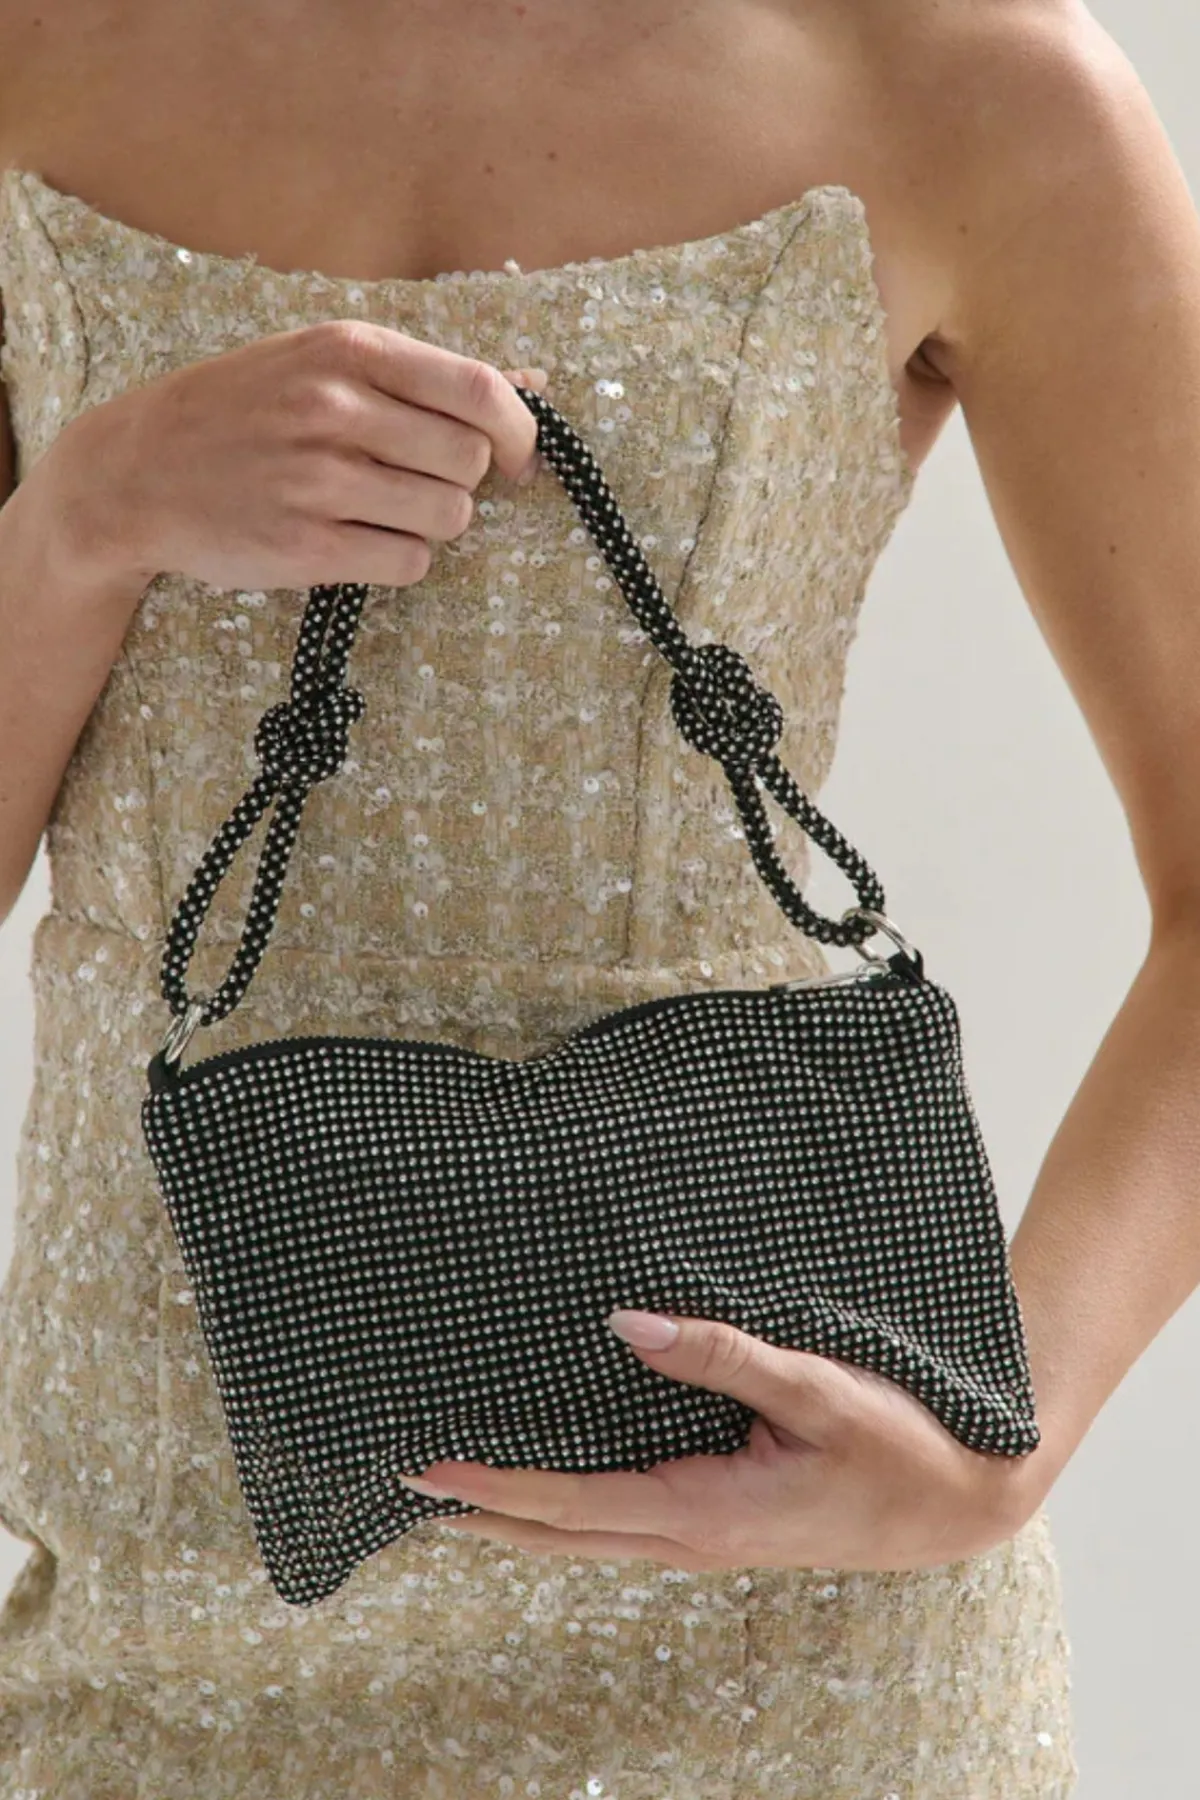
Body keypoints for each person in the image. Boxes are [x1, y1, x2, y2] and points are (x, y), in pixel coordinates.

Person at [3, 0, 1200, 1793]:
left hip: (790, 1631)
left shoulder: (969, 82)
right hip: (156, 1591)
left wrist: (999, 1454)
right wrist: (78, 521)